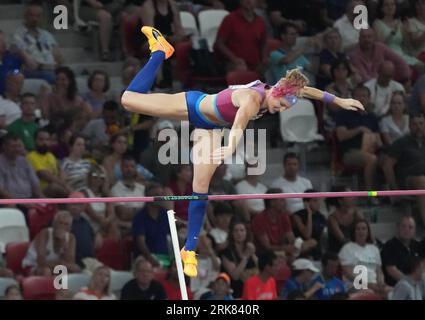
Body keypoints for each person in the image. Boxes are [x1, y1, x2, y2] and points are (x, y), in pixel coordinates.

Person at [120, 26, 364, 278]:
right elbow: (237, 128)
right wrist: (227, 148)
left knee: (200, 187)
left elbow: (307, 90)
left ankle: (189, 251)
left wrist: (339, 101)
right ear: (275, 93)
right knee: (128, 100)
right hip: (193, 105)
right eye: (280, 106)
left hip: (210, 125)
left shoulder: (279, 90)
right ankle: (160, 52)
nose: (279, 109)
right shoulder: (251, 99)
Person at [335, 85, 382, 191]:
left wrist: (376, 143)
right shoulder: (343, 114)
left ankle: (394, 194)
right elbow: (341, 136)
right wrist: (359, 130)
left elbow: (379, 140)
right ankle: (370, 194)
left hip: (370, 150)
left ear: (369, 98)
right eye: (358, 96)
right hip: (350, 152)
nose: (361, 98)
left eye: (364, 96)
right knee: (372, 159)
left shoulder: (372, 117)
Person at [382, 113, 425, 225]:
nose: (419, 127)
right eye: (415, 124)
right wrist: (395, 189)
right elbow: (387, 165)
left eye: (421, 123)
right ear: (410, 126)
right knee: (421, 181)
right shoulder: (401, 143)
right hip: (408, 180)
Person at [338, 219, 392, 297]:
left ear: (368, 232)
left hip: (375, 285)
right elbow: (348, 274)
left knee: (395, 291)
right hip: (355, 286)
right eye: (358, 229)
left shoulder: (374, 249)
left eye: (364, 229)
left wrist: (381, 282)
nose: (361, 232)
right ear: (354, 232)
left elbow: (379, 271)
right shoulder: (347, 248)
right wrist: (369, 285)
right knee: (370, 293)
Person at [13, 2, 63, 84]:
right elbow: (30, 63)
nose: (35, 19)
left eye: (38, 16)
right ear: (25, 16)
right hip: (34, 72)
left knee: (69, 76)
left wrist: (57, 67)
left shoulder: (47, 35)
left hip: (52, 69)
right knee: (53, 77)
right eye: (31, 15)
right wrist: (48, 66)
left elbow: (59, 57)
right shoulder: (17, 36)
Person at [214, 0, 267, 73]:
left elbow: (263, 43)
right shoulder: (230, 18)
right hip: (234, 64)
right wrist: (234, 59)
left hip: (255, 65)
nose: (249, 1)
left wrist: (264, 60)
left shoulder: (260, 21)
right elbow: (219, 43)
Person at [22, 210, 81, 275]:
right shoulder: (44, 234)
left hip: (54, 266)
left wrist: (62, 243)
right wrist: (60, 263)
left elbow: (71, 262)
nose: (62, 226)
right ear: (54, 224)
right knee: (46, 271)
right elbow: (41, 262)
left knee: (76, 269)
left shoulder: (71, 238)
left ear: (70, 228)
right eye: (60, 223)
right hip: (33, 265)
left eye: (66, 224)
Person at [373, 0, 424, 72]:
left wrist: (408, 32)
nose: (390, 7)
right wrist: (392, 32)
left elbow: (407, 45)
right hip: (388, 55)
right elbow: (379, 45)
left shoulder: (399, 22)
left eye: (392, 4)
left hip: (402, 53)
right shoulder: (377, 23)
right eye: (386, 5)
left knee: (422, 66)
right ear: (381, 8)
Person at [133, 183, 170, 268]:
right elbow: (141, 243)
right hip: (145, 257)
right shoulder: (140, 217)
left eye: (161, 195)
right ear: (148, 198)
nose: (161, 198)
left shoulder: (165, 214)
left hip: (165, 257)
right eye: (157, 195)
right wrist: (150, 258)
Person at [42, 67, 91, 131]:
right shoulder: (49, 96)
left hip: (75, 129)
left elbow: (73, 116)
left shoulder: (77, 98)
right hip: (55, 128)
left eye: (63, 79)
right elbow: (45, 116)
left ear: (70, 81)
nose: (59, 82)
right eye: (57, 79)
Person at [381, 215, 423, 286]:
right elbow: (391, 270)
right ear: (398, 228)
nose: (407, 229)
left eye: (410, 227)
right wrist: (411, 282)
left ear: (414, 231)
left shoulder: (416, 245)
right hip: (397, 286)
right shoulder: (389, 246)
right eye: (403, 226)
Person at [221, 220, 258, 299]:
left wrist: (252, 253)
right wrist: (246, 257)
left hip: (252, 288)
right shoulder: (226, 252)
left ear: (246, 233)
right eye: (236, 231)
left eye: (242, 230)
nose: (239, 233)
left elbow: (259, 267)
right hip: (236, 290)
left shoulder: (249, 248)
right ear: (232, 233)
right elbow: (235, 276)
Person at [26, 128, 70, 195]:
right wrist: (65, 185)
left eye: (47, 140)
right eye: (41, 139)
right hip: (41, 191)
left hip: (59, 186)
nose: (45, 142)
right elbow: (45, 176)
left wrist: (64, 183)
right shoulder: (31, 156)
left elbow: (61, 171)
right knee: (55, 187)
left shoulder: (50, 155)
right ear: (35, 140)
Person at [0, 133, 43, 199]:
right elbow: (1, 190)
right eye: (13, 146)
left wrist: (42, 199)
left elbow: (35, 184)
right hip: (9, 200)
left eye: (19, 146)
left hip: (29, 198)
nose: (17, 149)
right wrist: (21, 202)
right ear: (4, 146)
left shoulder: (25, 161)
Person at [111, 155, 147, 234]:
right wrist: (143, 211)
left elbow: (149, 211)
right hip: (126, 229)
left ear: (136, 168)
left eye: (132, 166)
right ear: (121, 168)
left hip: (144, 226)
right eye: (126, 166)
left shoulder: (142, 188)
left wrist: (132, 211)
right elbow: (123, 214)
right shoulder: (115, 189)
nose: (129, 169)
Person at [82, 164, 119, 239]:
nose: (98, 179)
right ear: (89, 177)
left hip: (103, 225)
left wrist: (106, 221)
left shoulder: (104, 195)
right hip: (89, 224)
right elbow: (91, 212)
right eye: (95, 176)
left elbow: (112, 214)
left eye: (102, 177)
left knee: (113, 224)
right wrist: (102, 220)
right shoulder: (84, 192)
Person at [326, 185, 364, 253]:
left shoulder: (356, 213)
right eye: (349, 196)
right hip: (338, 252)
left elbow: (366, 232)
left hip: (356, 248)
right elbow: (343, 240)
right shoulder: (332, 218)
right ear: (340, 201)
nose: (353, 197)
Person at [292, 189, 327, 260]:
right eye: (315, 201)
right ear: (306, 203)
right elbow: (307, 235)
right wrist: (309, 214)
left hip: (316, 249)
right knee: (311, 242)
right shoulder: (297, 216)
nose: (318, 203)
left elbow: (322, 237)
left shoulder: (321, 217)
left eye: (319, 200)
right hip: (302, 247)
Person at [0, 30, 23, 97]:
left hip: (13, 96)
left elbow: (32, 66)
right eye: (0, 41)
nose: (4, 43)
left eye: (4, 40)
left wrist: (21, 51)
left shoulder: (12, 56)